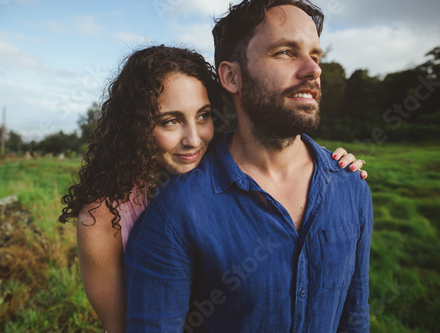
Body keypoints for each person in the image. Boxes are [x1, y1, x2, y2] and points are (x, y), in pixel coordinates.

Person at [59, 45, 367, 332]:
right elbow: (126, 326)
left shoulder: (220, 167)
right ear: (137, 127)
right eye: (171, 121)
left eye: (203, 116)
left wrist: (328, 165)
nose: (194, 139)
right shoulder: (102, 217)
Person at [124, 1, 373, 332]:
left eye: (315, 55)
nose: (313, 70)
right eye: (285, 52)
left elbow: (354, 316)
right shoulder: (175, 212)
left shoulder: (352, 186)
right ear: (231, 76)